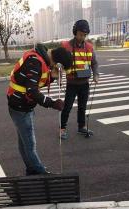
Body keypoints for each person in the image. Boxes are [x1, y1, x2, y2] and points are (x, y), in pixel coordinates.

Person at [7, 44, 73, 175]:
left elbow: (38, 81)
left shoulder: (40, 58)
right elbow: (31, 91)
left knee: (24, 142)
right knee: (30, 144)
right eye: (61, 69)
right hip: (21, 107)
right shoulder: (35, 62)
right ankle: (41, 173)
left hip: (20, 104)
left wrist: (53, 76)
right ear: (58, 64)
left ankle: (31, 169)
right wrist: (52, 103)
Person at [60, 19, 99, 140]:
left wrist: (96, 75)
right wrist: (59, 77)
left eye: (84, 35)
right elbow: (59, 63)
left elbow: (94, 63)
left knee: (82, 106)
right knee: (67, 106)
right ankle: (62, 128)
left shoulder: (89, 47)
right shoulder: (66, 46)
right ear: (75, 32)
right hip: (72, 83)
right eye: (80, 34)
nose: (82, 37)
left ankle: (81, 126)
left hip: (84, 83)